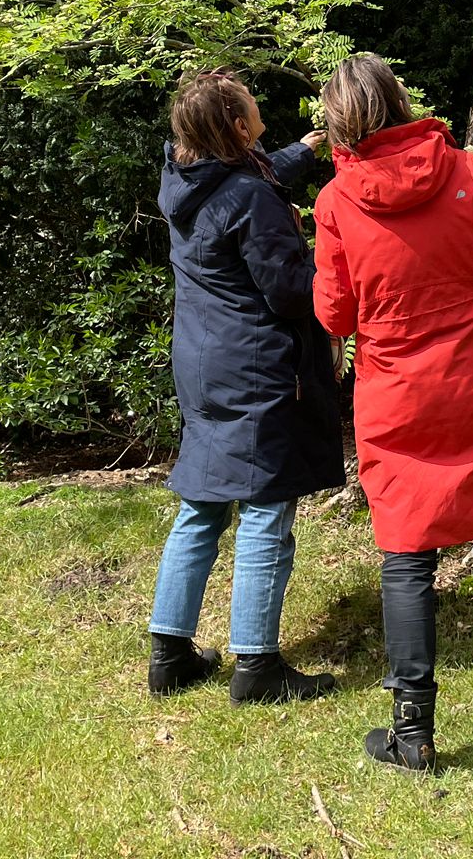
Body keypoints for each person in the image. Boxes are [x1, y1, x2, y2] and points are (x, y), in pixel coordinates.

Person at [311, 54, 473, 773]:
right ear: (399, 98)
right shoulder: (465, 171)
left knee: (407, 557)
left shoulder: (336, 202)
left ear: (339, 120)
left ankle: (413, 731)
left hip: (399, 395)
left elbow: (334, 310)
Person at [148, 69, 344, 705]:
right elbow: (288, 291)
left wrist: (307, 150)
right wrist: (326, 257)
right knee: (267, 506)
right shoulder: (251, 198)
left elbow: (253, 178)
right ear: (237, 128)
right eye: (252, 109)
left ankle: (170, 654)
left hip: (204, 366)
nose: (262, 111)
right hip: (258, 368)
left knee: (203, 504)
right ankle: (257, 666)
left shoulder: (183, 178)